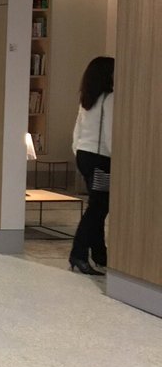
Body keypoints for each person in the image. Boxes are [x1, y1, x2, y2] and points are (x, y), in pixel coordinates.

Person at [69, 56, 113, 276]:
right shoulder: (110, 99)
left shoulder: (87, 99)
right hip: (101, 159)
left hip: (84, 156)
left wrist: (78, 152)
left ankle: (100, 254)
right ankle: (79, 253)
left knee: (97, 204)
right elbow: (110, 134)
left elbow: (77, 131)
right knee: (98, 207)